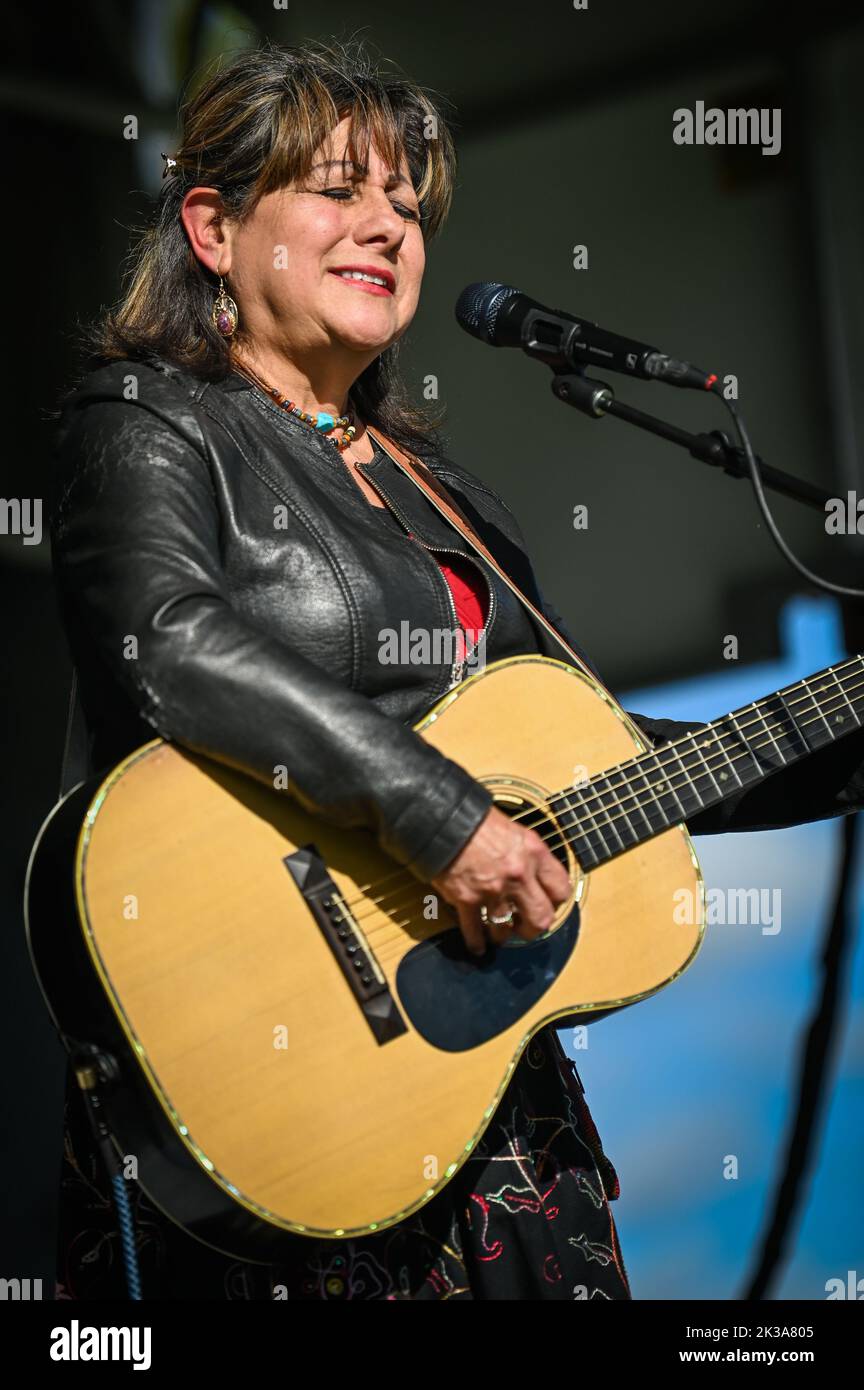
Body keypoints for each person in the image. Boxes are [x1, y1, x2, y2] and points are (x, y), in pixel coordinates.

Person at [49, 38, 864, 1302]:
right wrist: (444, 821)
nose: (387, 225)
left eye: (409, 205)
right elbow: (169, 640)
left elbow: (605, 762)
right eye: (338, 189)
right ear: (212, 226)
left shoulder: (454, 503)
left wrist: (840, 733)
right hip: (281, 1104)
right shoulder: (150, 419)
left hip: (495, 1125)